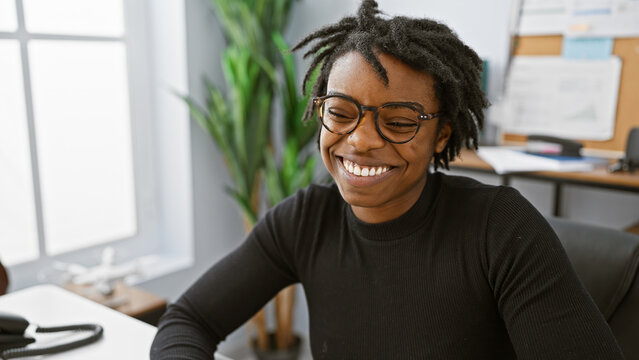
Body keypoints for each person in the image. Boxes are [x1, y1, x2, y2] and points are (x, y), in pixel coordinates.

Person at [151, 1, 624, 359]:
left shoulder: (500, 228)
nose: (359, 141)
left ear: (441, 136)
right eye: (340, 112)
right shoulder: (306, 219)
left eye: (398, 121)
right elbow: (188, 320)